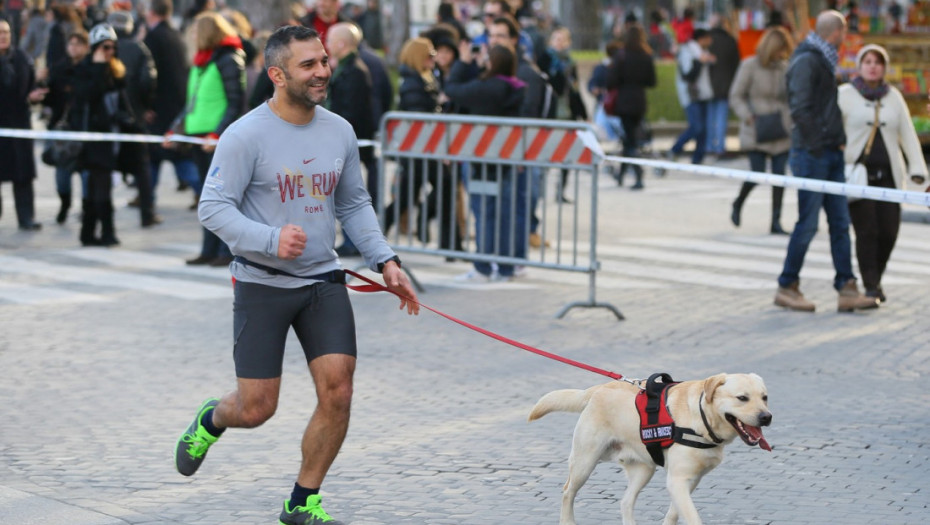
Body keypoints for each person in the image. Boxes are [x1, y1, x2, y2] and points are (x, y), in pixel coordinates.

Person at [173, 25, 419, 525]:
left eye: (324, 60)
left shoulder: (339, 130)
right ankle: (212, 417)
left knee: (339, 390)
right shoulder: (245, 135)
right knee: (257, 408)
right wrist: (269, 239)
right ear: (277, 75)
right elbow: (212, 208)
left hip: (321, 283)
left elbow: (353, 202)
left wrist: (385, 260)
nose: (323, 71)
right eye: (309, 65)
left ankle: (302, 500)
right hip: (262, 282)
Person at [775, 10, 877, 313]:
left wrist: (835, 139)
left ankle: (847, 286)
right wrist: (821, 143)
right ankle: (787, 284)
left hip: (827, 151)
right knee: (807, 223)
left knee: (840, 223)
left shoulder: (820, 57)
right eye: (844, 32)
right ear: (837, 32)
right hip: (812, 153)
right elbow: (801, 108)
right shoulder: (809, 59)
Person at [839, 44, 929, 303]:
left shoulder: (893, 96)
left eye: (877, 62)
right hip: (858, 175)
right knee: (867, 232)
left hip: (889, 174)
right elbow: (832, 127)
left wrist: (917, 169)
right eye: (867, 61)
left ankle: (875, 277)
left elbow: (908, 134)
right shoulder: (845, 94)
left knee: (889, 232)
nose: (872, 66)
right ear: (860, 65)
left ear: (884, 67)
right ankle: (870, 286)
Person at [168, 11, 245, 267]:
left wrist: (218, 133)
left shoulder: (228, 59)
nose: (191, 35)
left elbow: (236, 103)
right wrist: (175, 129)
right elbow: (192, 104)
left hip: (215, 140)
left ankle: (225, 250)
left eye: (194, 31)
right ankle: (209, 249)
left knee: (223, 198)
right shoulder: (203, 62)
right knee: (207, 198)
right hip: (200, 139)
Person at [444, 42, 527, 281]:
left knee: (484, 212)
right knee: (505, 213)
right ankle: (505, 267)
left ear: (492, 62)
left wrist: (463, 61)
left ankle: (482, 266)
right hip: (507, 158)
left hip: (481, 160)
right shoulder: (516, 88)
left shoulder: (486, 87)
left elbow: (452, 88)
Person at [71, 23, 135, 246]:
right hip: (89, 139)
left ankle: (91, 233)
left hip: (110, 137)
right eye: (105, 47)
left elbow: (121, 98)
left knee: (97, 185)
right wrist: (98, 67)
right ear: (96, 47)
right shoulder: (85, 69)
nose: (110, 52)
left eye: (112, 47)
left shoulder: (115, 69)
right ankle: (102, 232)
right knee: (97, 185)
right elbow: (87, 96)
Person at [728, 26, 795, 235]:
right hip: (756, 128)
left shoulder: (785, 68)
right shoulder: (749, 66)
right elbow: (736, 95)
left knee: (779, 177)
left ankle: (776, 221)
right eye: (779, 50)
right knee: (757, 173)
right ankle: (738, 203)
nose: (781, 54)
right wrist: (748, 117)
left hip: (781, 129)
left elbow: (791, 97)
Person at [108, 10, 161, 228]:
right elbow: (148, 80)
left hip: (110, 116)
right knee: (141, 167)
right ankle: (147, 213)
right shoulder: (139, 49)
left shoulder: (107, 49)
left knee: (100, 166)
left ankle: (96, 212)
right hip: (134, 115)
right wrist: (145, 106)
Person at [144, 0, 201, 203]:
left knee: (176, 157)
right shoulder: (175, 35)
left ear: (151, 13)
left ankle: (204, 193)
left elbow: (149, 76)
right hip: (177, 104)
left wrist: (147, 105)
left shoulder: (154, 37)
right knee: (161, 155)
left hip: (161, 107)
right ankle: (146, 197)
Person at [325, 22, 374, 257]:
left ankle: (353, 242)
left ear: (342, 44)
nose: (327, 45)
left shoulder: (353, 70)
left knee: (349, 195)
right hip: (343, 142)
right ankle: (349, 241)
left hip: (348, 144)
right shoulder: (347, 68)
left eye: (331, 40)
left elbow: (350, 111)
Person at [0, 17, 46, 231]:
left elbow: (30, 88)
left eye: (6, 32)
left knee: (23, 176)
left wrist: (34, 95)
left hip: (19, 125)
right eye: (0, 32)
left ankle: (26, 217)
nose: (3, 36)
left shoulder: (21, 58)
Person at [43, 29, 88, 225]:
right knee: (62, 172)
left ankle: (87, 208)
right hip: (63, 129)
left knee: (86, 172)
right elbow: (51, 98)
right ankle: (65, 204)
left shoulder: (91, 69)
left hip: (84, 128)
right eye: (71, 44)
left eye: (78, 44)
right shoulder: (59, 68)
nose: (74, 48)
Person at [606, 24, 656, 190]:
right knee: (630, 138)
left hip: (624, 100)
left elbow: (612, 80)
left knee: (630, 140)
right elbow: (652, 81)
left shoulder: (622, 56)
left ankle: (637, 174)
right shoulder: (646, 55)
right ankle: (622, 174)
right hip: (639, 100)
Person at [667, 28, 715, 166]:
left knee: (703, 129)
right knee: (697, 126)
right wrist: (700, 61)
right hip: (690, 95)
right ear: (701, 39)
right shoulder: (688, 51)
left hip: (703, 94)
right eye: (708, 38)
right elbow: (688, 75)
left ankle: (698, 159)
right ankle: (675, 149)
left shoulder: (702, 51)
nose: (710, 41)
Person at [706, 16, 740, 159]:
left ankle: (709, 146)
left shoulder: (707, 41)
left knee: (710, 117)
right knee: (721, 118)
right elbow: (736, 64)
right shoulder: (730, 41)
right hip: (726, 84)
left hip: (708, 84)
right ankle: (719, 147)